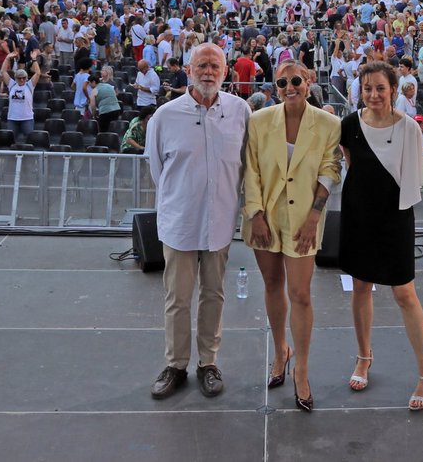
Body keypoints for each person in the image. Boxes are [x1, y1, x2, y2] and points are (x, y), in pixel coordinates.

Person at [145, 43, 251, 401]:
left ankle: (208, 363)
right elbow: (158, 170)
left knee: (214, 295)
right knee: (177, 298)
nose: (208, 72)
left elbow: (246, 165)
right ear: (188, 70)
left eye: (215, 66)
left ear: (226, 72)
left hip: (220, 223)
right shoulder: (165, 116)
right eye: (202, 65)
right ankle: (176, 365)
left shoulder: (240, 112)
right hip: (180, 224)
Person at [243, 60, 341, 412]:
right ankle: (280, 350)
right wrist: (255, 213)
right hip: (264, 217)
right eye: (282, 82)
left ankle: (302, 369)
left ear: (310, 81)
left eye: (296, 80)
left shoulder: (329, 124)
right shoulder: (258, 121)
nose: (289, 87)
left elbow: (331, 169)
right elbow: (250, 169)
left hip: (304, 220)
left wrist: (315, 216)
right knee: (272, 285)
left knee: (300, 294)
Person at [339, 61, 423, 412]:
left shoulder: (409, 128)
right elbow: (351, 165)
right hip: (358, 216)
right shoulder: (348, 125)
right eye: (367, 88)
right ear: (360, 91)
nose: (374, 94)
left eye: (380, 88)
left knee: (404, 293)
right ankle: (364, 357)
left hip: (394, 218)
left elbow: (412, 179)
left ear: (393, 89)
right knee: (360, 286)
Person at [0, 52, 41, 141]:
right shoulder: (12, 85)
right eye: (19, 78)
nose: (21, 79)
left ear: (26, 78)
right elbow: (3, 71)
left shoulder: (29, 85)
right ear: (15, 78)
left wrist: (34, 60)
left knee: (30, 140)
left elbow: (38, 73)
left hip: (27, 118)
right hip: (13, 118)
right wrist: (7, 58)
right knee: (10, 140)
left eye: (24, 78)